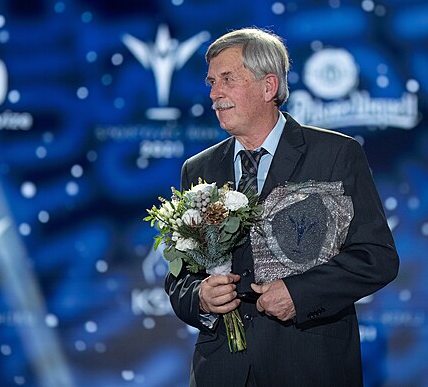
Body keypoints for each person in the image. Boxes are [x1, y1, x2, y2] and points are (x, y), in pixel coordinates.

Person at [164, 27, 399, 387]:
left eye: (227, 79)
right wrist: (200, 297)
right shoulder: (199, 169)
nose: (214, 93)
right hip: (222, 373)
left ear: (268, 86)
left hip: (308, 366)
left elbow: (376, 257)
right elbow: (179, 277)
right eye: (211, 82)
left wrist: (299, 294)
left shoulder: (335, 155)